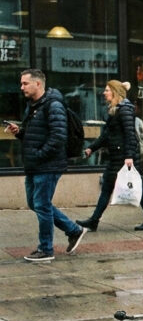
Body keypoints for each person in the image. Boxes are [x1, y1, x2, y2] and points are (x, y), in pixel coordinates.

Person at [6, 68, 87, 262]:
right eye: (21, 83)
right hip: (35, 164)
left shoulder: (54, 105)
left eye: (25, 83)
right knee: (35, 203)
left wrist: (39, 154)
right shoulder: (33, 106)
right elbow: (35, 135)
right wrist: (19, 132)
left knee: (41, 204)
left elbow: (58, 137)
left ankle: (46, 249)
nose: (21, 87)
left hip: (48, 165)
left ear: (38, 84)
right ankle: (73, 230)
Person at [76, 80, 143, 232]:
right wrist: (91, 149)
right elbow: (106, 135)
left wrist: (129, 156)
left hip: (124, 158)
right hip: (117, 157)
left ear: (114, 92)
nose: (104, 93)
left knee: (137, 187)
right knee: (107, 187)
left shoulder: (125, 110)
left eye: (107, 90)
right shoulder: (114, 110)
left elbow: (130, 134)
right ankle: (94, 220)